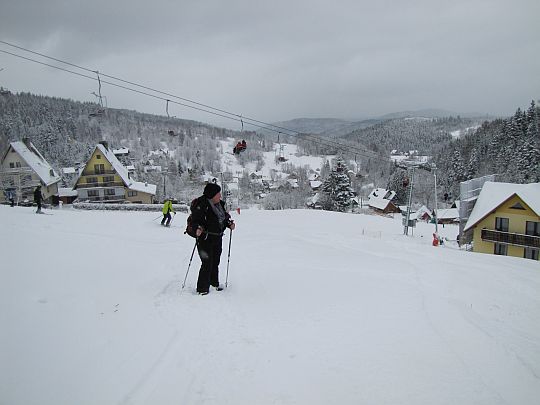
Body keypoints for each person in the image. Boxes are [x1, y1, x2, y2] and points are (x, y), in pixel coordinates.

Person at [191, 183, 235, 295]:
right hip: (205, 239)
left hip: (217, 237)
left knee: (215, 262)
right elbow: (195, 220)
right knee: (207, 263)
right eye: (218, 194)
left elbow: (224, 218)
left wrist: (229, 224)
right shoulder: (202, 204)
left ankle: (214, 283)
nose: (220, 196)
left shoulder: (219, 204)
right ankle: (202, 288)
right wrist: (197, 228)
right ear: (211, 195)